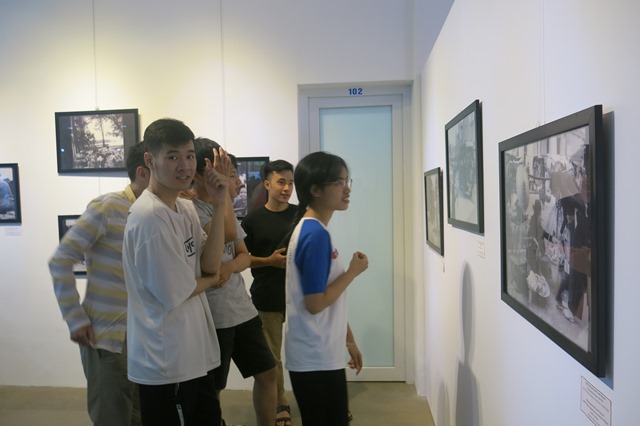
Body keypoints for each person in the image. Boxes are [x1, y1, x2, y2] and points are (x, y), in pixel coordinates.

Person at [122, 118, 229, 426]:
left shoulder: (185, 208)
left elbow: (210, 264)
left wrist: (219, 205)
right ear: (150, 160)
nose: (184, 166)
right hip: (166, 362)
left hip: (192, 356)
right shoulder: (150, 218)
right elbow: (178, 292)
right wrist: (211, 280)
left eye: (189, 155)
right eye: (172, 157)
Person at [48, 142, 148, 426]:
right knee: (111, 417)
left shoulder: (159, 213)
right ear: (143, 171)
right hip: (109, 337)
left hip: (146, 337)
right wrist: (75, 318)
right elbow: (61, 259)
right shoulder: (108, 207)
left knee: (142, 416)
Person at [191, 139, 277, 426]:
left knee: (268, 372)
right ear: (201, 174)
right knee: (213, 387)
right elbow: (227, 233)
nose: (237, 181)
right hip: (213, 316)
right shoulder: (191, 210)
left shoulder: (222, 207)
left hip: (242, 309)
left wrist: (229, 267)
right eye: (228, 174)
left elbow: (244, 256)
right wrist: (223, 195)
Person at [284, 151, 368, 426]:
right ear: (315, 190)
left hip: (319, 353)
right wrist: (352, 272)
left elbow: (328, 296)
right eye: (338, 183)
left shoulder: (313, 230)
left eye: (346, 181)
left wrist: (349, 340)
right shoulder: (315, 234)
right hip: (315, 356)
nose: (347, 189)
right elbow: (316, 302)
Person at [241, 159, 297, 426]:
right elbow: (242, 259)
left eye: (291, 183)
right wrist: (269, 261)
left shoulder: (301, 214)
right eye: (281, 182)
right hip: (267, 297)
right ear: (266, 184)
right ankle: (280, 400)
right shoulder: (252, 220)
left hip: (300, 296)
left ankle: (320, 397)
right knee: (272, 357)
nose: (287, 188)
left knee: (307, 350)